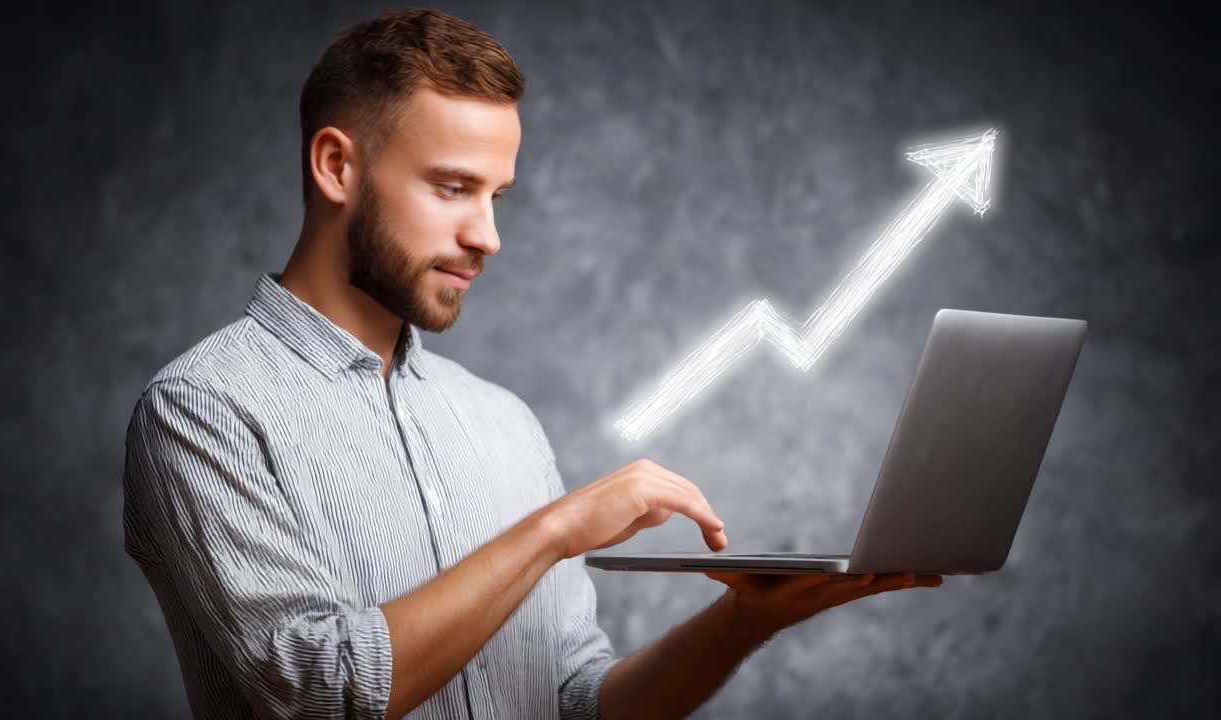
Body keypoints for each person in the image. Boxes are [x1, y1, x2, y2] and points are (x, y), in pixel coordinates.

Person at [122, 8, 941, 720]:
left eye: (497, 196)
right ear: (337, 166)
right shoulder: (203, 409)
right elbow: (323, 696)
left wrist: (747, 621)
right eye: (452, 188)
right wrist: (553, 532)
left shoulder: (503, 422)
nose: (487, 236)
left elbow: (580, 704)